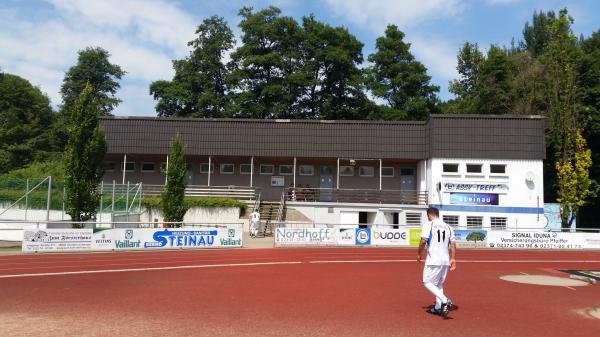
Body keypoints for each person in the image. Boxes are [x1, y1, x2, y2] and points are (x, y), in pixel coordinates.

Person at [417, 207, 456, 319]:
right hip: (445, 260)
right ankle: (438, 307)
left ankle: (445, 300)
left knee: (427, 282)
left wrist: (419, 254)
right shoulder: (449, 227)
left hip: (433, 259)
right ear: (438, 214)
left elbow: (423, 240)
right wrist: (453, 259)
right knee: (438, 284)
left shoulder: (429, 224)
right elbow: (453, 244)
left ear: (429, 215)